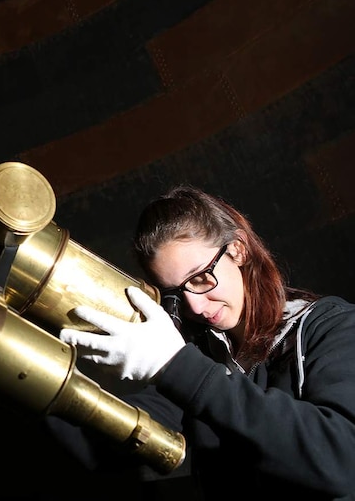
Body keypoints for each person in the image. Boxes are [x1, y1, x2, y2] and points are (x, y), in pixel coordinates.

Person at [49, 185, 355, 499]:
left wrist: (175, 366)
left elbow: (342, 463)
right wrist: (35, 372)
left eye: (200, 277)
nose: (195, 306)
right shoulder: (204, 353)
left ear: (238, 249)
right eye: (176, 294)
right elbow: (105, 440)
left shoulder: (332, 326)